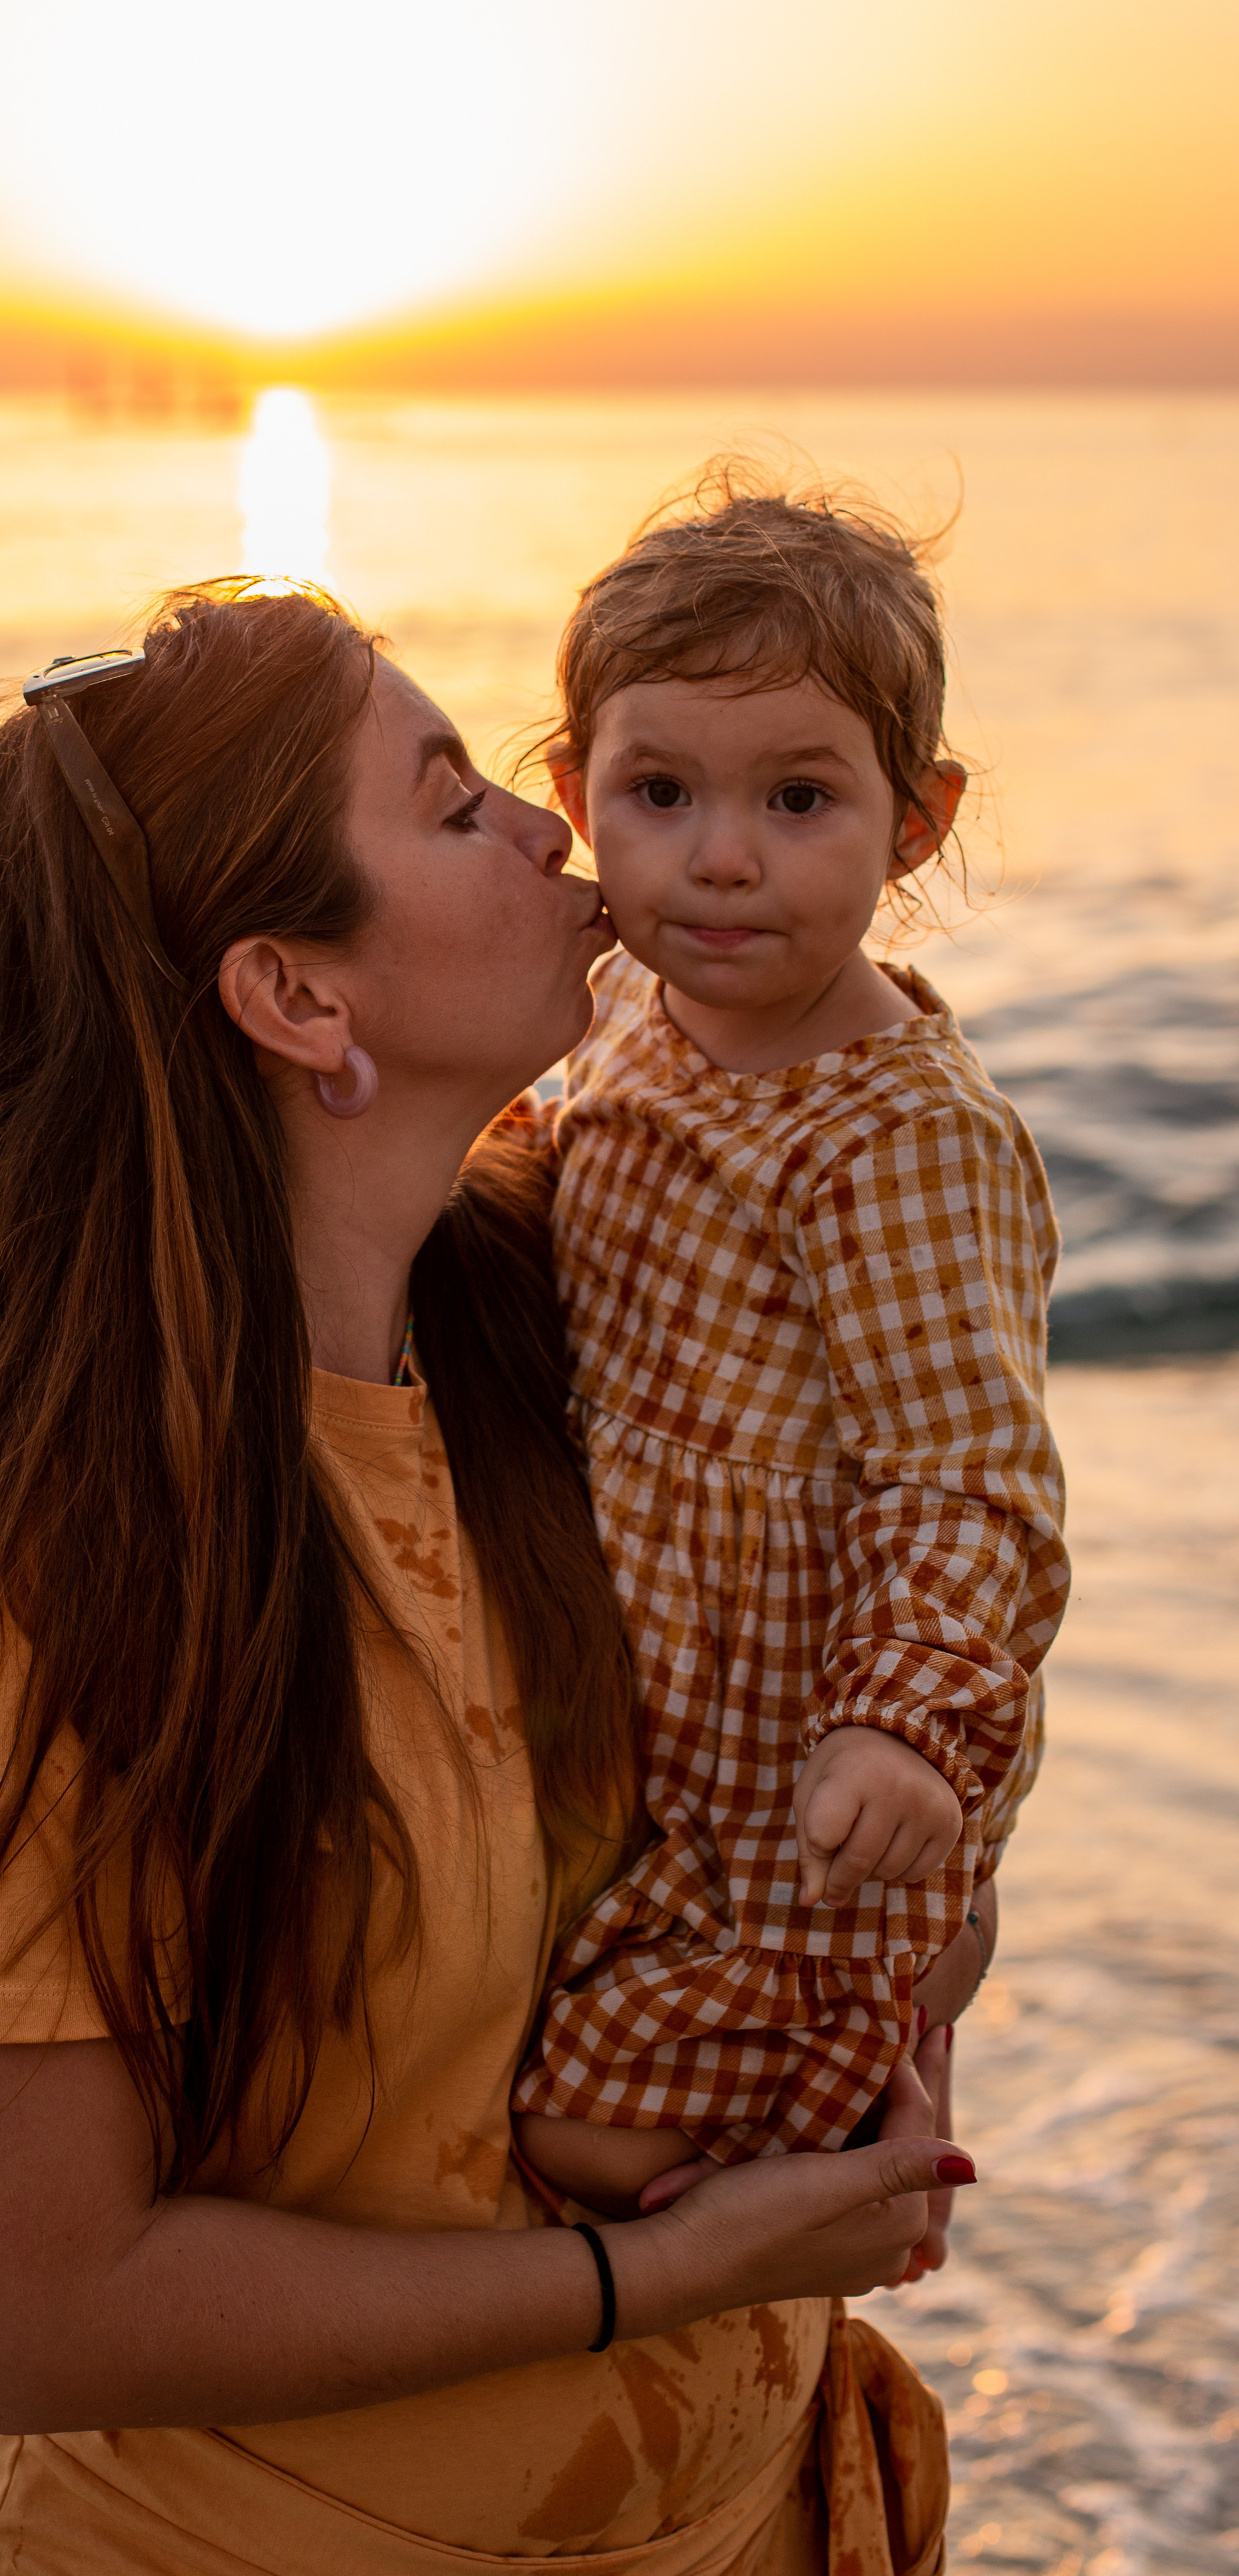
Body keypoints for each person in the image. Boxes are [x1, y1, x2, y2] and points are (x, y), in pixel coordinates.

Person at [0, 579, 973, 2573]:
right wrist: (651, 2282)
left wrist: (895, 1996)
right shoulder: (64, 1573)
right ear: (299, 997)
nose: (553, 830)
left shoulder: (598, 1340)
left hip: (747, 2516)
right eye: (454, 801)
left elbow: (848, 1777)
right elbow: (39, 2313)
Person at [510, 471, 1069, 2239]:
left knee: (592, 2142)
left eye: (800, 798)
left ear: (917, 822)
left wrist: (902, 1737)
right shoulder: (615, 1009)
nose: (720, 855)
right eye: (659, 794)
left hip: (802, 1740)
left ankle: (858, 2067)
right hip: (640, 1675)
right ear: (573, 797)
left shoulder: (892, 1131)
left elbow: (970, 1480)